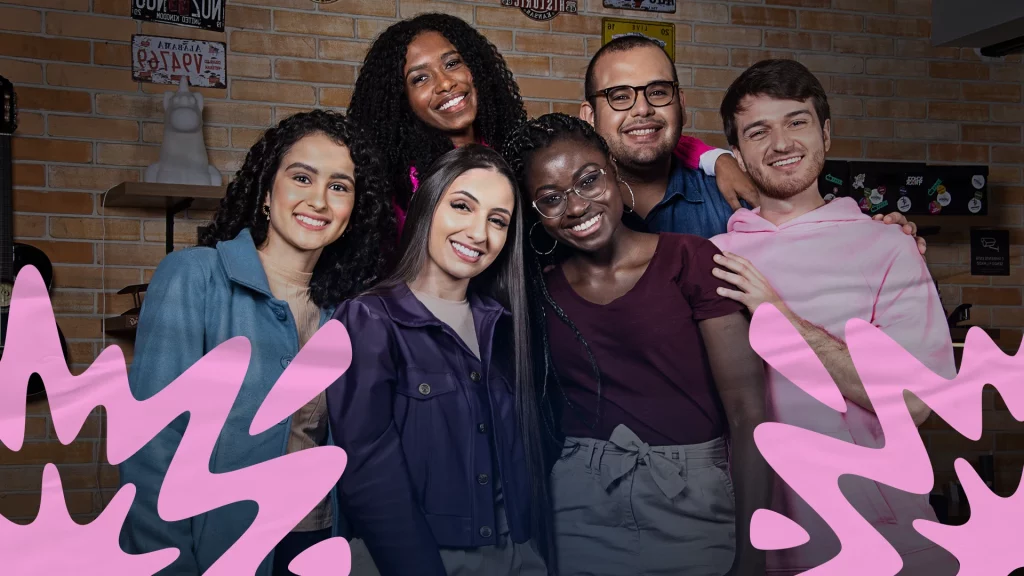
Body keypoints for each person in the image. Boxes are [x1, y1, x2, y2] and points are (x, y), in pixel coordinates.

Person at [709, 59, 959, 576]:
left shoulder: (889, 247)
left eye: (796, 122)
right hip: (749, 539)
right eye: (759, 131)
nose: (780, 143)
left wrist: (781, 318)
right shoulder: (713, 257)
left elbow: (913, 403)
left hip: (876, 540)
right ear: (737, 153)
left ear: (825, 132)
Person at [119, 110, 395, 576]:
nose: (319, 201)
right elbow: (151, 444)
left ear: (354, 211)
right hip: (219, 547)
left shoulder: (351, 310)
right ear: (267, 192)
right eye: (302, 177)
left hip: (318, 541)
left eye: (339, 186)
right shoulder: (195, 276)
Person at [502, 112, 771, 576]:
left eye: (589, 180)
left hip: (692, 497)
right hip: (578, 501)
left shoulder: (691, 258)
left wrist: (752, 557)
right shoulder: (537, 290)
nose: (577, 206)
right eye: (551, 198)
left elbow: (749, 412)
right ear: (534, 211)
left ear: (612, 168)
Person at [326, 144, 549, 576]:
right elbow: (369, 475)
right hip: (416, 559)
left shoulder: (504, 326)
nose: (479, 233)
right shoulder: (370, 318)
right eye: (462, 206)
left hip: (517, 554)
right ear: (428, 205)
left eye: (497, 221)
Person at [347, 13, 743, 239]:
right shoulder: (397, 181)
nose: (446, 83)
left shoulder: (517, 146)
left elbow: (626, 138)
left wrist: (714, 156)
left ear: (476, 67)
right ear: (400, 97)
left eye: (452, 64)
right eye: (420, 78)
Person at [580, 35, 927, 250]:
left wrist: (880, 240)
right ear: (589, 115)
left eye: (658, 92)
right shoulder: (564, 208)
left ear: (680, 103)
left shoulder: (740, 198)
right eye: (619, 96)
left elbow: (815, 248)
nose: (643, 108)